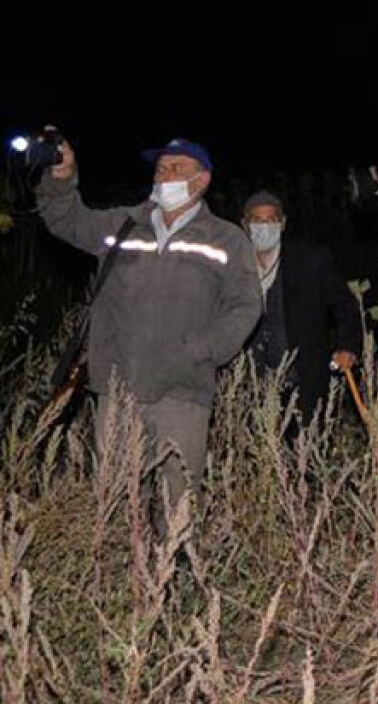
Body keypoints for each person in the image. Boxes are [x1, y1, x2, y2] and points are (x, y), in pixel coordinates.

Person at [36, 136, 261, 536]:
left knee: (178, 504)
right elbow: (66, 220)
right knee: (117, 500)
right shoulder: (123, 225)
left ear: (202, 180)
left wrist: (203, 350)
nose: (165, 175)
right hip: (118, 387)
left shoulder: (227, 240)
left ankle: (175, 585)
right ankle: (120, 585)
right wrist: (61, 176)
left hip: (182, 392)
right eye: (161, 168)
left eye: (177, 169)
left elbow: (246, 306)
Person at [240, 190, 362, 425]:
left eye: (272, 220)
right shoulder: (232, 266)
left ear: (283, 223)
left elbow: (345, 304)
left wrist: (347, 346)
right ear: (245, 225)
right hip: (250, 387)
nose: (265, 227)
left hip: (302, 383)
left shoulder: (309, 261)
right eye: (257, 220)